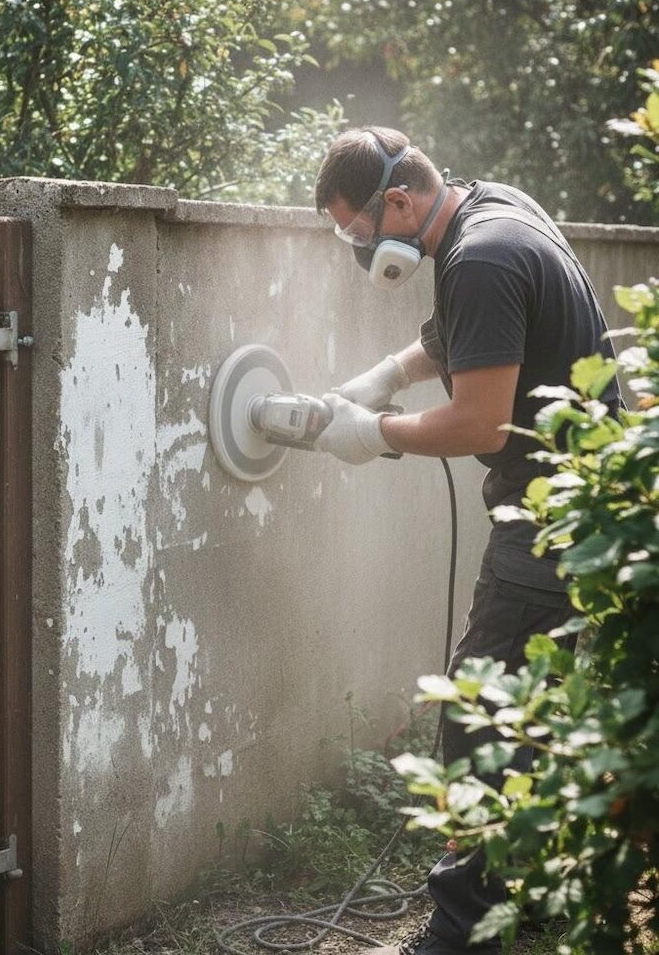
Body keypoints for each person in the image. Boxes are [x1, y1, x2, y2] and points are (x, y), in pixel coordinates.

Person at [311, 126, 621, 955]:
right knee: (538, 712)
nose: (359, 250)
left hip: (552, 515)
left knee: (480, 709)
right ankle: (538, 891)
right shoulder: (492, 210)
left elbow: (482, 423)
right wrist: (387, 373)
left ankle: (457, 933)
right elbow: (468, 334)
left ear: (399, 205)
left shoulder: (478, 257)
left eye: (356, 233)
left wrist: (372, 432)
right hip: (591, 505)